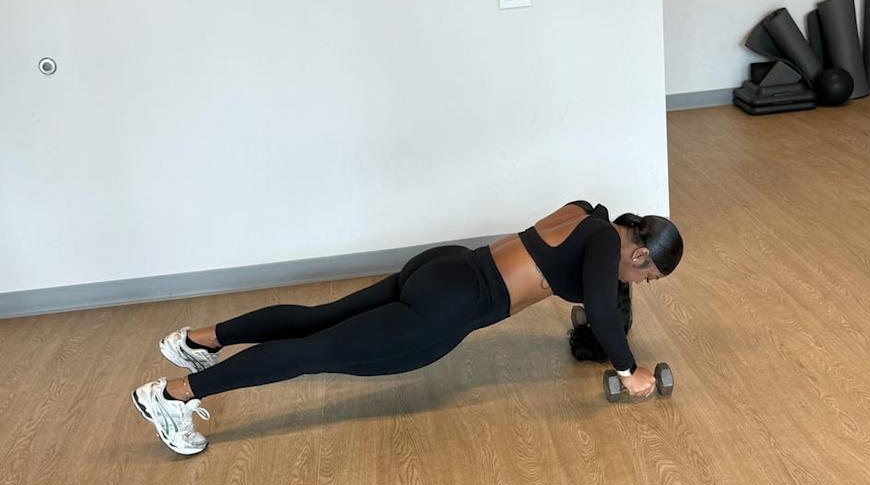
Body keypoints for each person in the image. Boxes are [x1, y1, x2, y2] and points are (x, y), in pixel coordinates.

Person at [131, 200, 683, 455]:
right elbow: (606, 311)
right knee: (313, 351)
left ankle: (197, 340)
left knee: (321, 318)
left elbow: (588, 292)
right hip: (450, 308)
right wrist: (631, 371)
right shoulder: (607, 245)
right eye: (649, 276)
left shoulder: (586, 213)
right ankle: (175, 395)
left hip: (445, 267)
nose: (642, 284)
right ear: (637, 254)